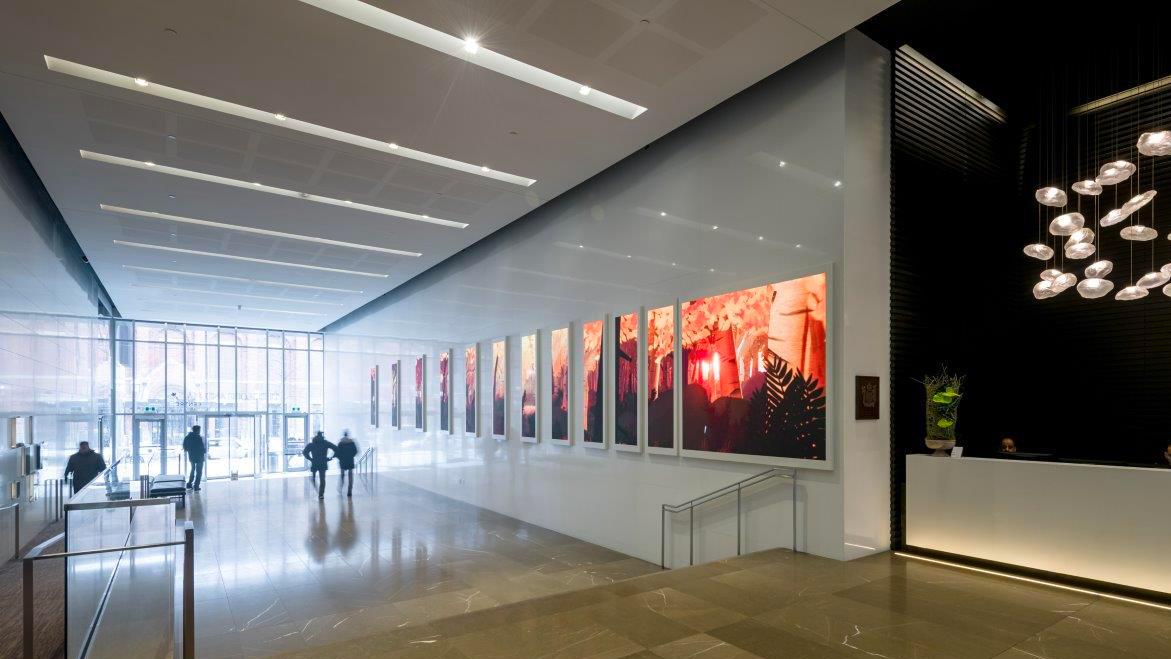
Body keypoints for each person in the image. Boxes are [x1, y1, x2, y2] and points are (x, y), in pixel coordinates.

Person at [302, 431, 336, 500]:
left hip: (315, 462)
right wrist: (331, 457)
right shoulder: (326, 443)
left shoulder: (312, 444)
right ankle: (321, 494)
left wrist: (310, 459)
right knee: (322, 479)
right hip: (323, 463)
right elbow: (336, 448)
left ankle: (317, 489)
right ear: (322, 436)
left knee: (313, 478)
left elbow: (304, 452)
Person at [334, 430, 359, 497]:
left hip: (343, 461)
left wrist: (340, 458)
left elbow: (337, 452)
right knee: (350, 476)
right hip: (350, 461)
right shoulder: (352, 442)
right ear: (347, 435)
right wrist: (351, 456)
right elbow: (356, 451)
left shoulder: (340, 443)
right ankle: (349, 491)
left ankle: (340, 488)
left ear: (343, 435)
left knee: (342, 475)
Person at [183, 425, 207, 490]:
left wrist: (190, 451)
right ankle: (196, 486)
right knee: (199, 471)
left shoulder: (187, 437)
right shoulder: (198, 438)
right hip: (199, 457)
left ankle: (189, 484)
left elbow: (185, 448)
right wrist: (204, 451)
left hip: (191, 456)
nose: (199, 431)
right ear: (197, 430)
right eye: (199, 430)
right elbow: (202, 448)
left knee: (192, 470)